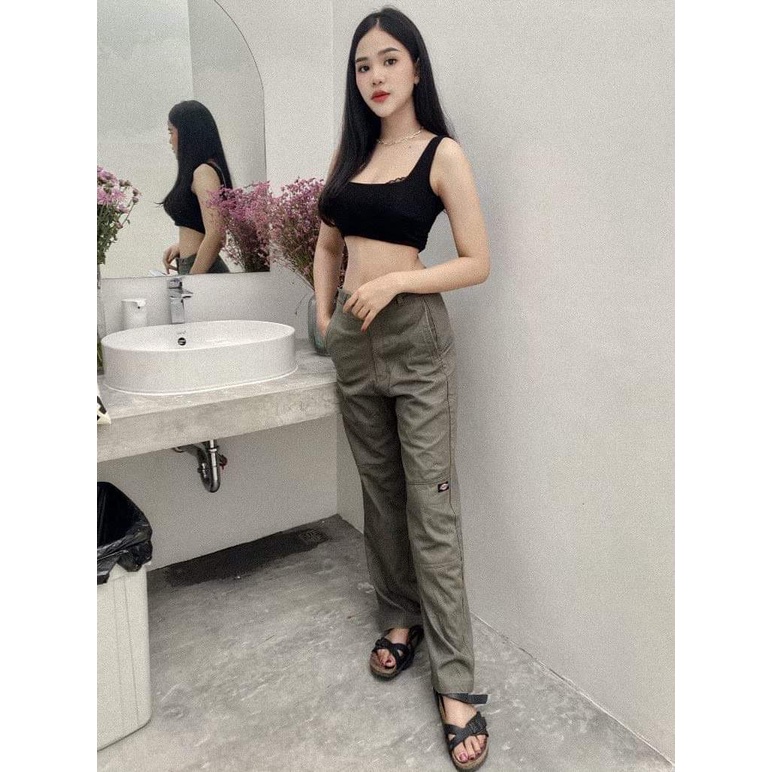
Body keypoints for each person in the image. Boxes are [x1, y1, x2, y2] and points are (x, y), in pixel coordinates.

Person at [315, 7, 491, 770]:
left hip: (416, 342)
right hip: (354, 345)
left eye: (389, 60)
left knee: (432, 507)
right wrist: (326, 319)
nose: (376, 76)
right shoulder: (350, 154)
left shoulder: (441, 154)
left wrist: (397, 284)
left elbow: (477, 261)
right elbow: (328, 244)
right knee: (381, 496)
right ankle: (399, 617)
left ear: (416, 68)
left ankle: (455, 680)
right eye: (363, 65)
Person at [161, 100, 232, 274]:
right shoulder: (202, 171)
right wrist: (182, 246)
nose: (170, 140)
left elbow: (216, 234)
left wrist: (194, 280)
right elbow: (199, 224)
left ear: (187, 133)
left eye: (171, 132)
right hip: (196, 266)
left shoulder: (203, 172)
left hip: (202, 271)